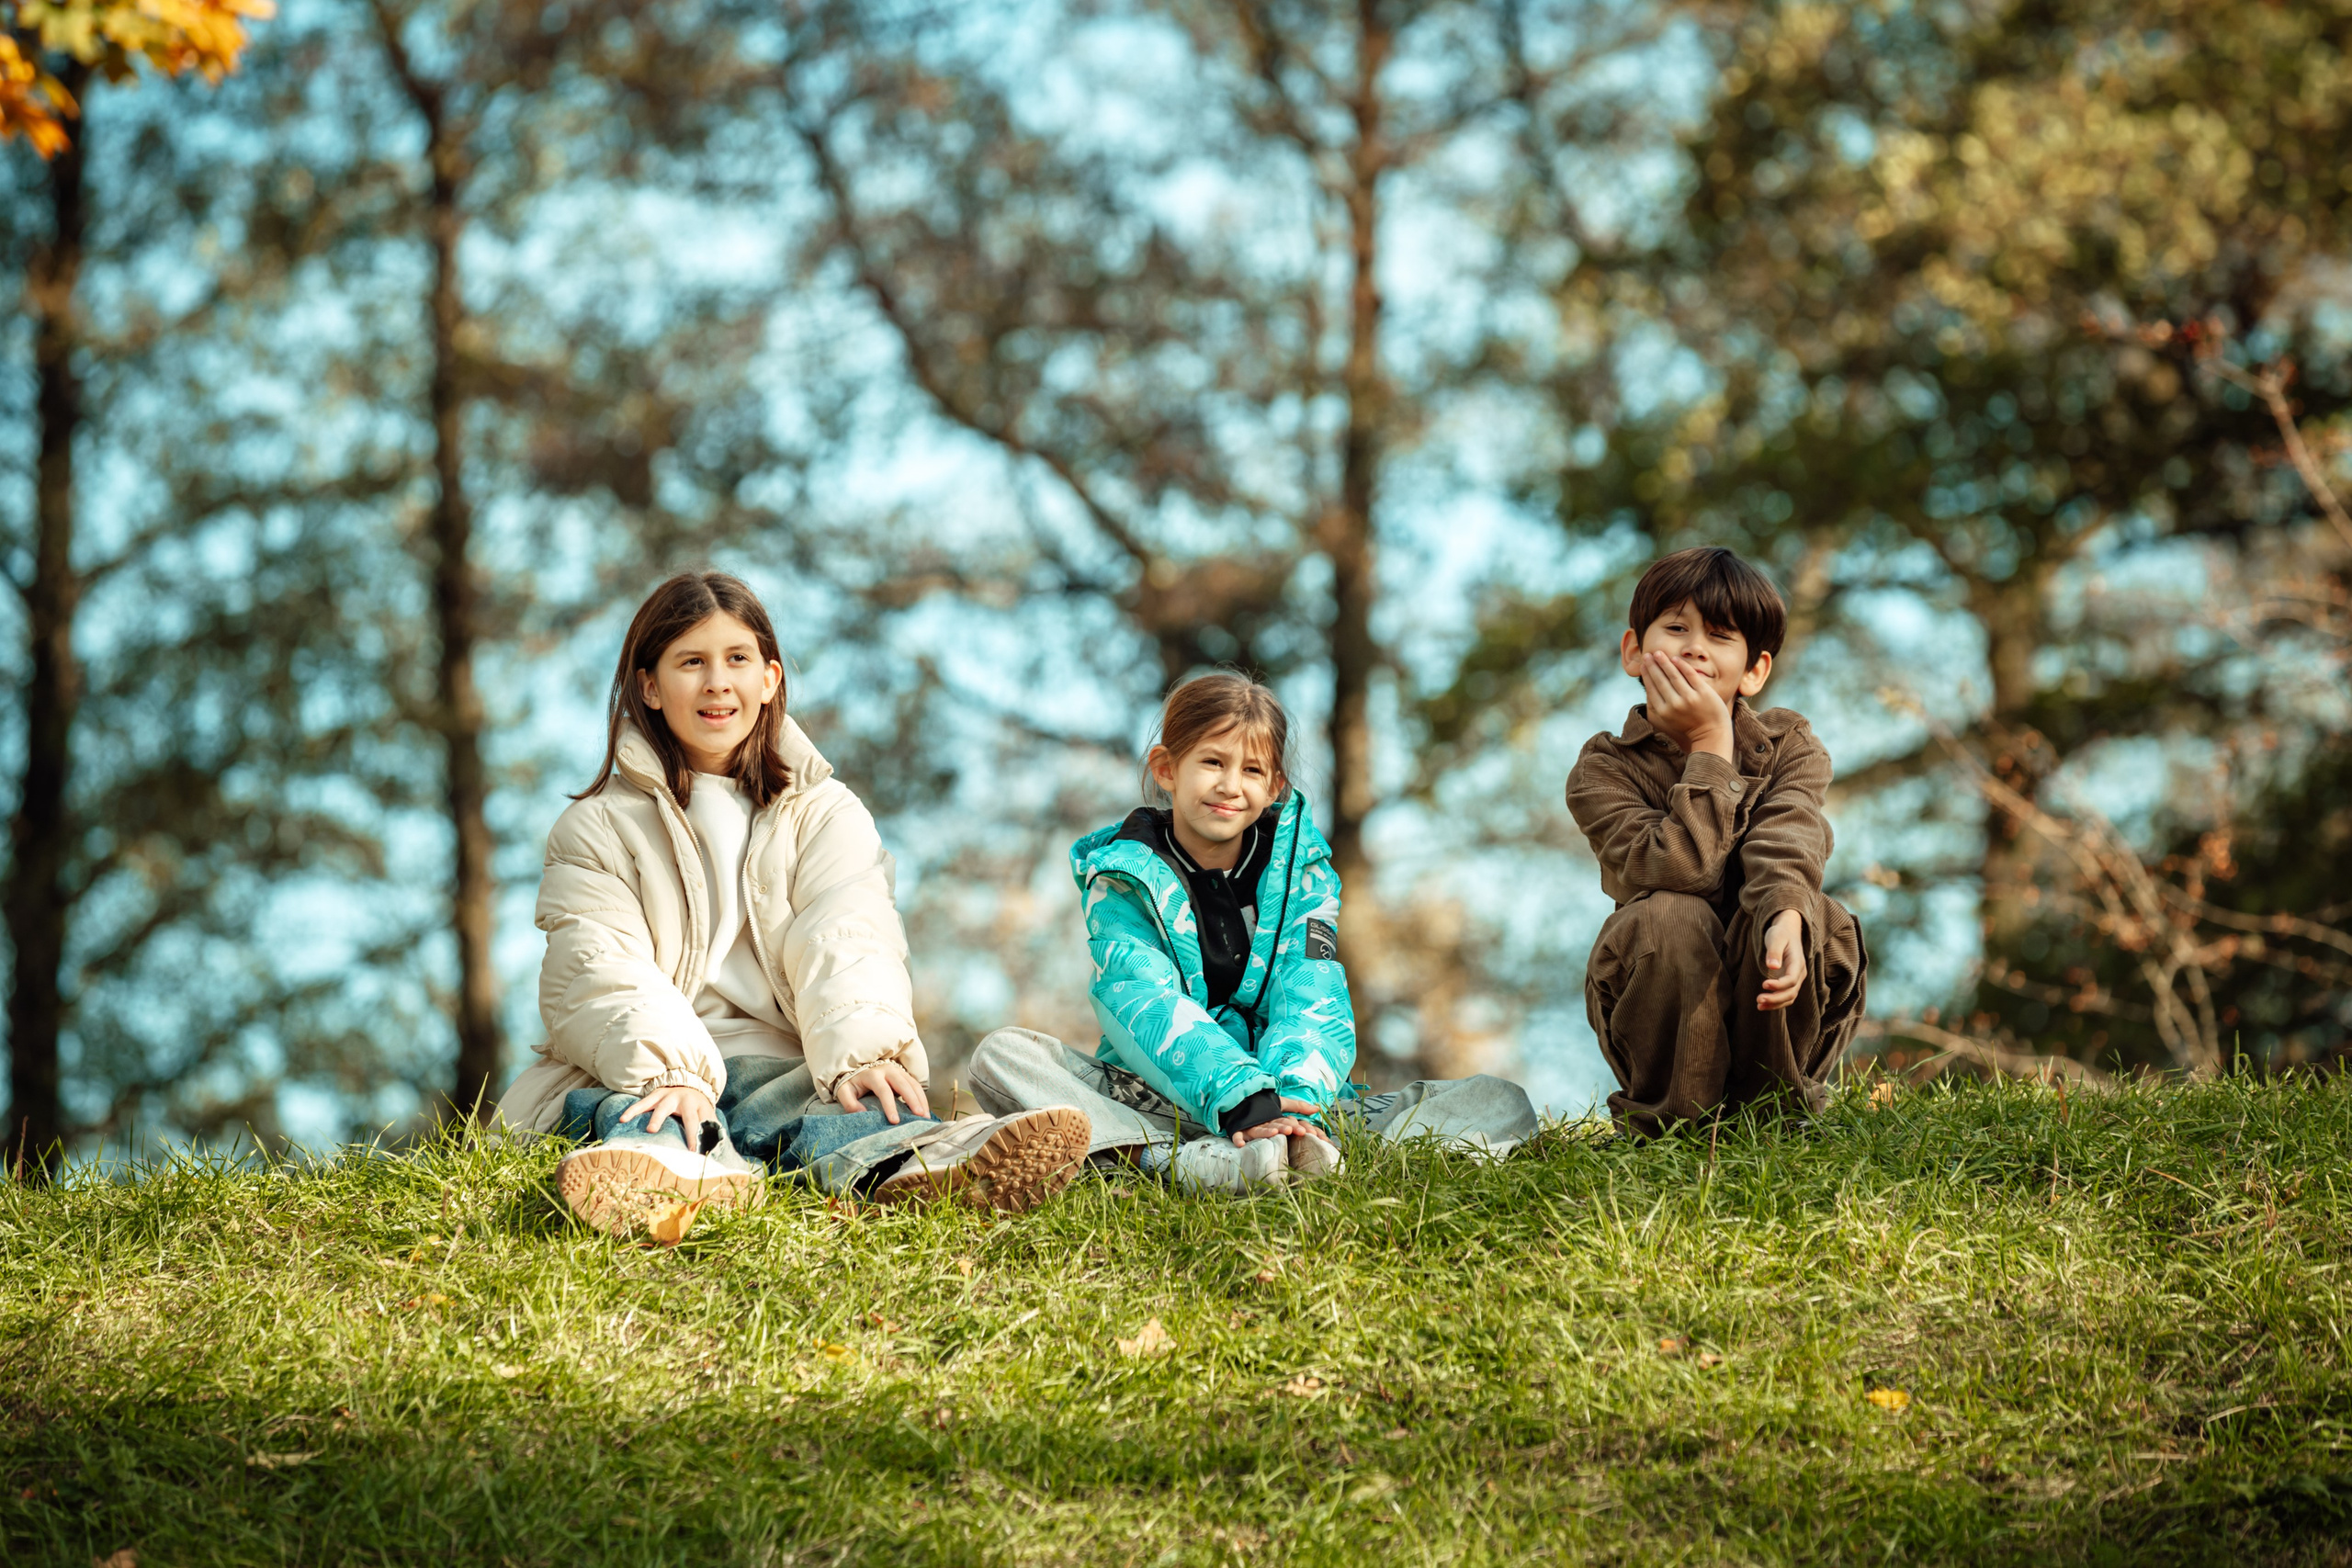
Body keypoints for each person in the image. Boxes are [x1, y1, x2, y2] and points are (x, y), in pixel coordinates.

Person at [499, 571, 1089, 1233]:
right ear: (650, 687)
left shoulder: (826, 813)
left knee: (859, 1113)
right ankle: (675, 1177)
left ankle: (925, 1163)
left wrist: (862, 1057)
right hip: (643, 1067)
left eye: (737, 659)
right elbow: (599, 965)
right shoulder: (597, 827)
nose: (717, 682)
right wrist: (672, 1071)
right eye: (691, 662)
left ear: (769, 679)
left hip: (792, 1065)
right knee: (647, 1118)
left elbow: (848, 934)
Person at [967, 672, 1539, 1192]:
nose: (1230, 786)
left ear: (1274, 786)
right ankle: (1178, 1161)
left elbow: (1313, 990)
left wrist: (1293, 1100)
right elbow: (1140, 998)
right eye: (1212, 762)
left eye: (1252, 770)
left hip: (1294, 1104)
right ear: (1167, 769)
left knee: (1498, 1101)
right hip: (1162, 1102)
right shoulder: (1122, 878)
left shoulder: (1304, 875)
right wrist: (1243, 1100)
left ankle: (1298, 1150)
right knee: (1005, 1058)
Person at [1566, 547, 1869, 1138]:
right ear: (1634, 651)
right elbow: (1682, 870)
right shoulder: (1602, 768)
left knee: (1814, 915)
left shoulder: (1790, 745)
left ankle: (1777, 1121)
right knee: (1670, 917)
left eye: (1720, 636)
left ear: (1754, 671)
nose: (1695, 648)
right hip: (1661, 1003)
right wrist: (1710, 746)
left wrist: (1786, 914)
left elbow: (1791, 834)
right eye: (1676, 628)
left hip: (1772, 1008)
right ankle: (1673, 1131)